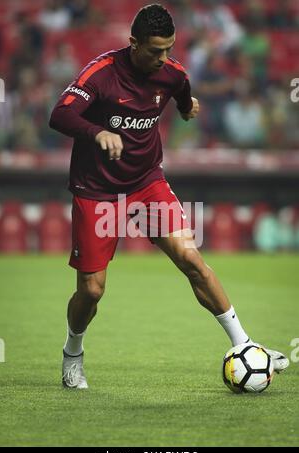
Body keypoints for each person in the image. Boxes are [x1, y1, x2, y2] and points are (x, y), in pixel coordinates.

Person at [49, 4, 289, 389]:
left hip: (147, 183)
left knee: (191, 258)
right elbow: (59, 114)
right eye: (156, 50)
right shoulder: (101, 73)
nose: (164, 58)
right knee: (91, 290)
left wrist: (186, 109)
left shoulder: (172, 73)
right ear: (133, 43)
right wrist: (96, 132)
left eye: (169, 49)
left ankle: (245, 345)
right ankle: (72, 352)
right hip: (97, 191)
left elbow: (182, 94)